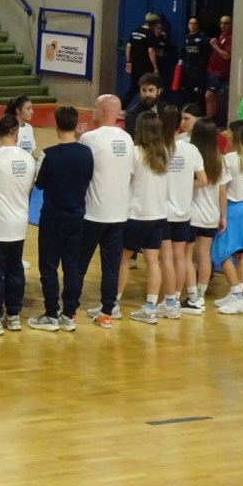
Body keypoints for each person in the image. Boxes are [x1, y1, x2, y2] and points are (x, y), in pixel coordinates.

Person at [29, 106, 93, 332]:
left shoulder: (49, 154)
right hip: (77, 217)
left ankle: (50, 314)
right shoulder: (86, 153)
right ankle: (69, 314)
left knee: (49, 268)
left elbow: (39, 184)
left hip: (53, 218)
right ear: (76, 125)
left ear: (56, 125)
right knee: (72, 267)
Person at [77, 94, 135, 329]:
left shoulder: (90, 138)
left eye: (94, 107)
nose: (92, 111)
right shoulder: (127, 139)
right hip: (119, 213)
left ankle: (69, 310)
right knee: (111, 265)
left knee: (78, 263)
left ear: (103, 111)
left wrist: (78, 139)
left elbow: (81, 170)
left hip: (93, 212)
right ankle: (107, 312)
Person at [0, 114, 36, 335]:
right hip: (18, 225)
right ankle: (13, 316)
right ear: (16, 133)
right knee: (15, 271)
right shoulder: (29, 159)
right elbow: (29, 189)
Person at [114, 113, 169, 325]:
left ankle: (113, 304)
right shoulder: (163, 152)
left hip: (138, 214)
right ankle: (150, 307)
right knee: (152, 261)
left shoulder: (136, 153)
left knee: (122, 259)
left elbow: (124, 180)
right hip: (159, 213)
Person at [160, 105, 206, 319]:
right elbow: (203, 180)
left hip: (163, 212)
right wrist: (186, 184)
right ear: (179, 124)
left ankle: (168, 302)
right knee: (179, 257)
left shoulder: (160, 148)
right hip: (184, 211)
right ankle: (175, 300)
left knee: (166, 258)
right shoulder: (191, 149)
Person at [213, 120, 243, 315]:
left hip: (232, 208)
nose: (227, 135)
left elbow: (222, 189)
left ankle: (237, 296)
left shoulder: (229, 159)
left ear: (237, 135)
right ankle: (236, 292)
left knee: (221, 253)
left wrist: (222, 214)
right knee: (241, 253)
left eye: (230, 132)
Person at [184, 118, 230, 311]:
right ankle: (201, 296)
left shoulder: (192, 155)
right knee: (204, 255)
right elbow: (222, 190)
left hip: (192, 213)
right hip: (211, 214)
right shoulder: (220, 159)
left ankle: (192, 296)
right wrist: (223, 215)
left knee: (187, 256)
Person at [123, 13, 162, 105]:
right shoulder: (150, 33)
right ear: (155, 23)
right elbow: (151, 51)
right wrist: (155, 66)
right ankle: (146, 106)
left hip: (135, 65)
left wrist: (128, 61)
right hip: (145, 66)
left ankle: (122, 106)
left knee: (133, 88)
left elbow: (128, 46)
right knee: (148, 87)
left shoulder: (135, 31)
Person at [204, 14, 232, 124]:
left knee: (209, 95)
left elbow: (226, 55)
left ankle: (210, 120)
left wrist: (215, 45)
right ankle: (211, 119)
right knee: (211, 96)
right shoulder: (222, 36)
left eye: (226, 23)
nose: (223, 26)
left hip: (219, 73)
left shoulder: (230, 38)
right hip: (212, 70)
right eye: (221, 23)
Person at [179, 16, 209, 104]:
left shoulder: (202, 36)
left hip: (198, 70)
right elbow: (183, 52)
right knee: (187, 91)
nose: (192, 25)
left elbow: (206, 52)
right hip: (187, 68)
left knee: (197, 93)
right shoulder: (186, 37)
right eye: (190, 23)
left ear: (198, 25)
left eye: (194, 23)